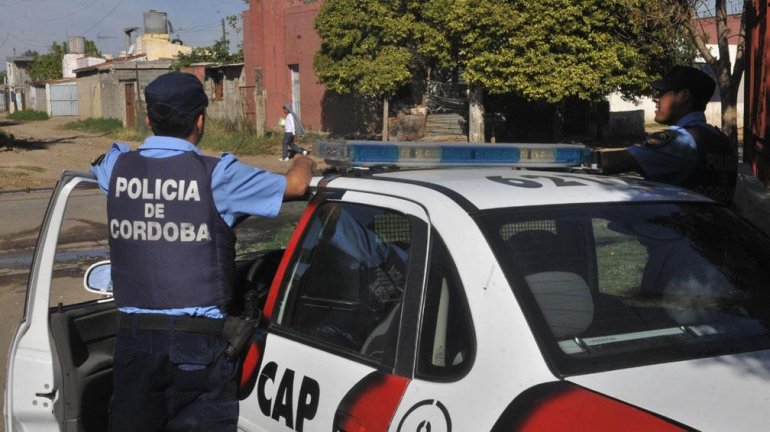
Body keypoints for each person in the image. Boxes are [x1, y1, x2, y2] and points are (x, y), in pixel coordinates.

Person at [90, 71, 314, 431]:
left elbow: (102, 161)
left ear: (148, 119)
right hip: (197, 345)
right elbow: (298, 185)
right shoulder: (218, 176)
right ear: (200, 120)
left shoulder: (117, 169)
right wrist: (302, 159)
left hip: (134, 344)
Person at [599, 65, 737, 205]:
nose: (655, 98)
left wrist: (586, 157)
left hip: (679, 218)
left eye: (662, 93)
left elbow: (616, 162)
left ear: (683, 96)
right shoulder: (721, 140)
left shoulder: (681, 141)